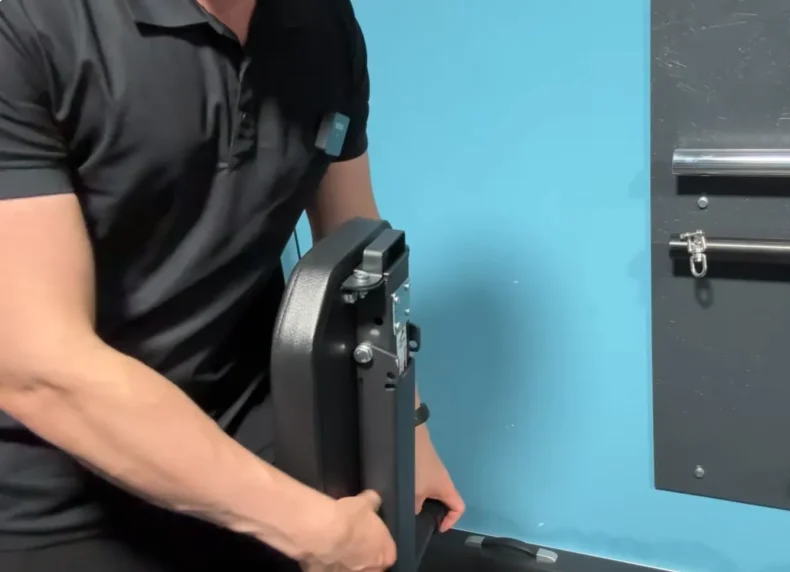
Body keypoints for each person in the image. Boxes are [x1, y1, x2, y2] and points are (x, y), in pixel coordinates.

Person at [0, 0, 465, 570]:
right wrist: (301, 523)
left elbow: (359, 249)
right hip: (54, 480)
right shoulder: (25, 25)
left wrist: (406, 428)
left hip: (252, 434)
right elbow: (39, 367)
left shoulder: (322, 22)